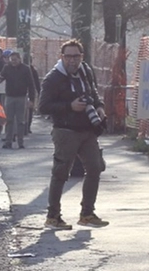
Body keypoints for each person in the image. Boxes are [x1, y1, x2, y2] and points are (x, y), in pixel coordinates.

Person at [38, 38, 109, 230]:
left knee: (95, 168)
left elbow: (92, 92)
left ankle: (87, 213)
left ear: (81, 57)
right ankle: (53, 217)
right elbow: (43, 107)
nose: (72, 60)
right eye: (68, 56)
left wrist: (99, 106)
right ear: (61, 57)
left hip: (88, 130)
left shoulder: (86, 70)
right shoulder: (53, 78)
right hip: (65, 131)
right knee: (60, 173)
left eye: (75, 56)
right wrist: (70, 106)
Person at [1, 49, 40, 149]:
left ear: (19, 59)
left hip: (21, 97)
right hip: (9, 96)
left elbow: (31, 85)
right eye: (12, 60)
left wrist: (32, 99)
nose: (13, 62)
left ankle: (20, 142)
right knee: (9, 120)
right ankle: (8, 141)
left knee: (21, 121)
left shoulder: (25, 69)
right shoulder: (7, 68)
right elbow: (1, 78)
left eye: (15, 60)